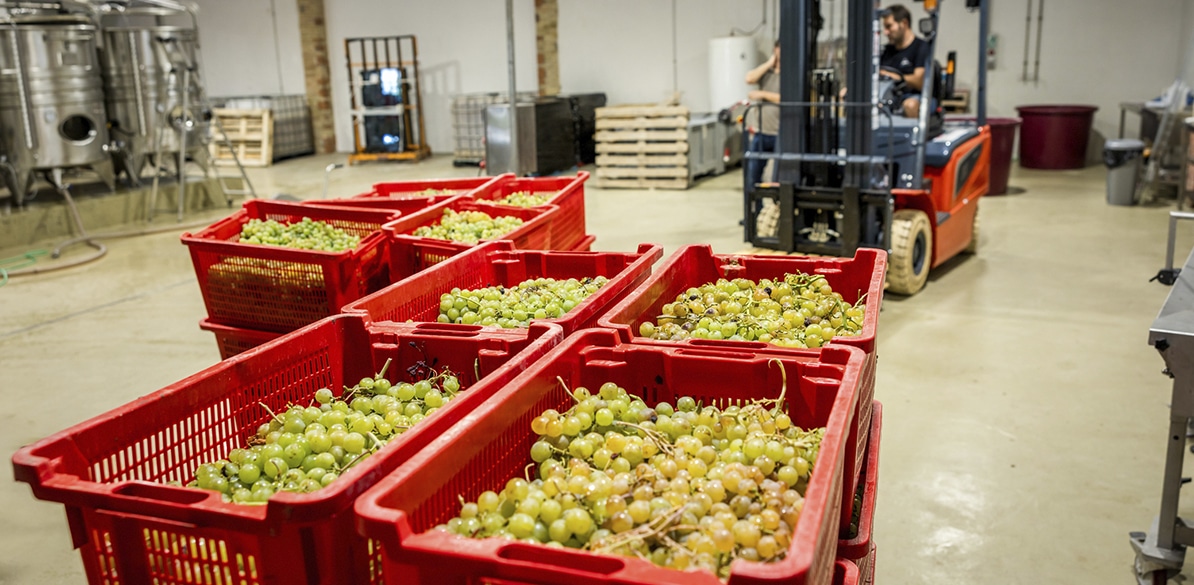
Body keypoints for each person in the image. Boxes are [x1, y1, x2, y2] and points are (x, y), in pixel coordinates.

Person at [880, 4, 931, 118]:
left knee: (910, 105)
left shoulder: (921, 47)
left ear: (904, 23)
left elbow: (919, 81)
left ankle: (913, 135)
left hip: (914, 96)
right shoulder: (886, 51)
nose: (885, 32)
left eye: (889, 26)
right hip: (890, 96)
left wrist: (895, 77)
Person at [744, 41, 781, 189]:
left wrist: (762, 94)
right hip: (761, 132)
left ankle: (776, 207)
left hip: (780, 133)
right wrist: (769, 63)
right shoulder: (766, 72)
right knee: (753, 175)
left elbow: (785, 98)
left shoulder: (791, 74)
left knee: (778, 176)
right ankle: (755, 210)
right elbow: (749, 78)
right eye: (779, 49)